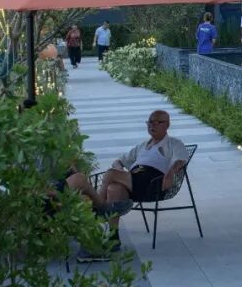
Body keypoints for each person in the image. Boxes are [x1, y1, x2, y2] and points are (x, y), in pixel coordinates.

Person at [80, 110, 189, 261]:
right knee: (114, 188)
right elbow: (119, 160)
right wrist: (119, 169)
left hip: (153, 183)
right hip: (135, 180)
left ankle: (97, 208)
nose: (153, 125)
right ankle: (113, 238)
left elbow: (181, 160)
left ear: (167, 125)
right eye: (150, 122)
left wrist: (170, 173)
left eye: (159, 122)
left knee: (110, 174)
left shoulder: (173, 143)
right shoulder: (143, 146)